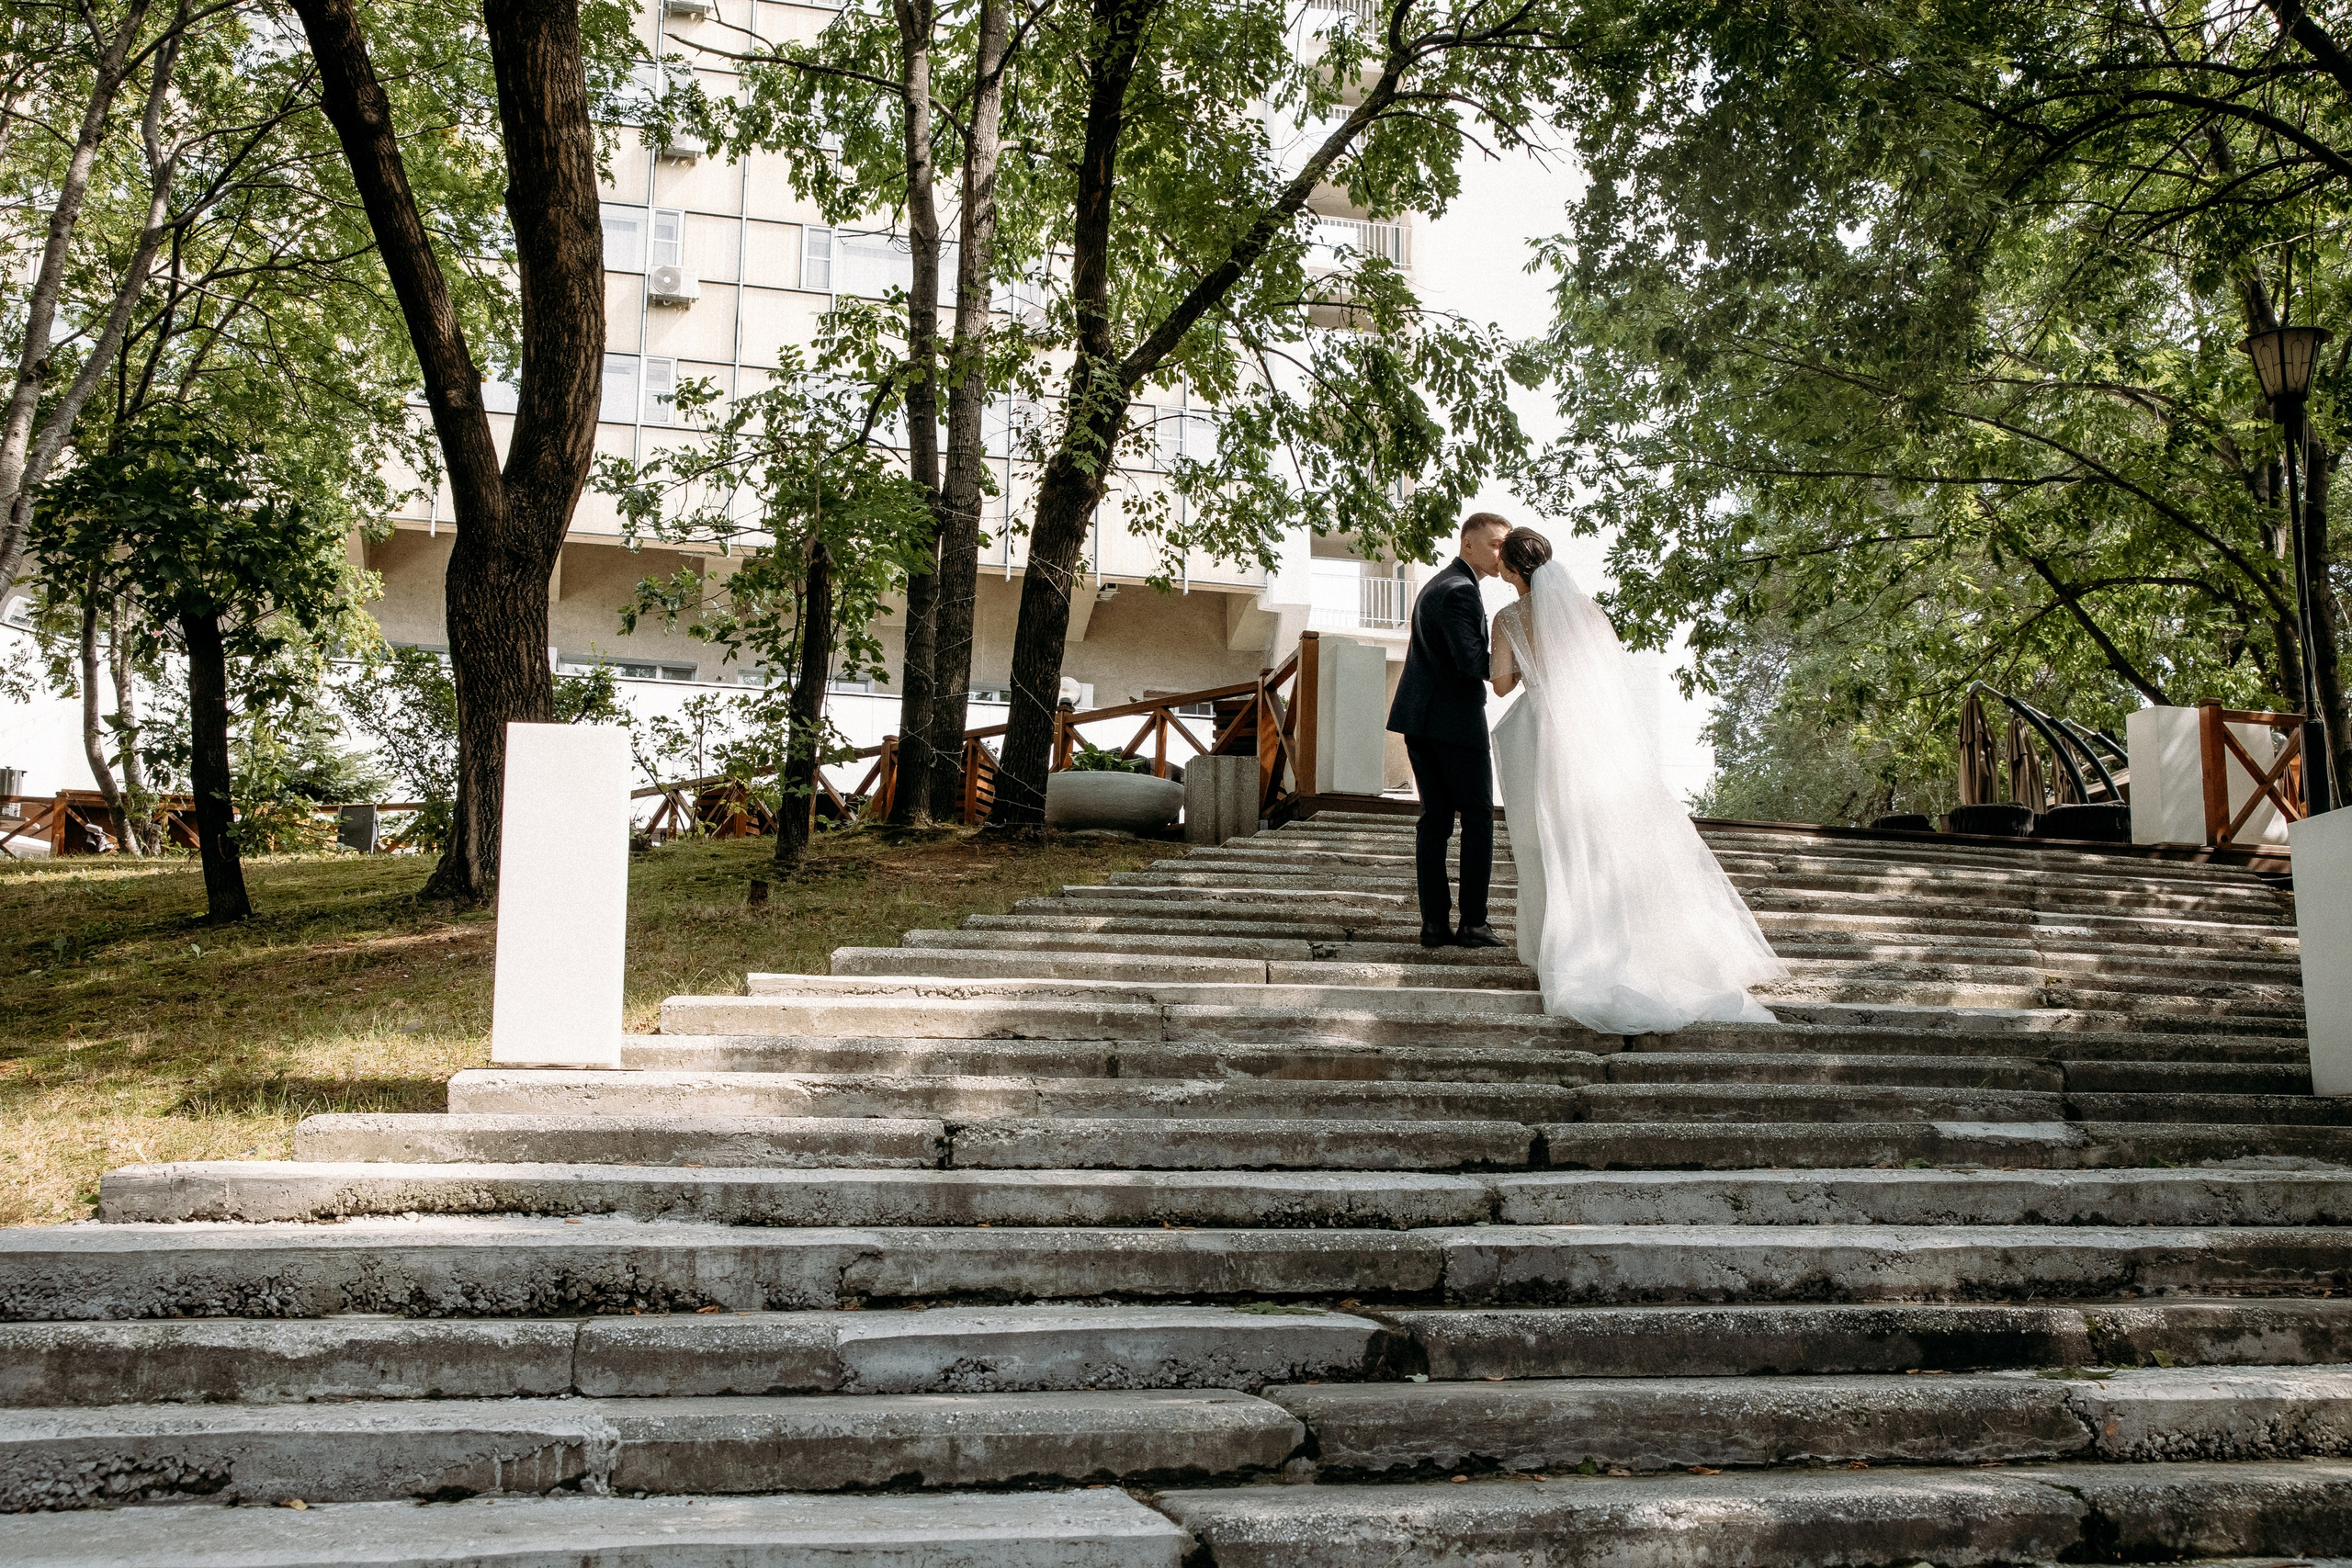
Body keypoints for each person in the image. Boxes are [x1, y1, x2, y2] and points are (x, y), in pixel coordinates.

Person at [1487, 525, 1786, 1032]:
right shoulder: (1588, 610)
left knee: (1548, 841)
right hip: (1595, 733)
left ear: (1513, 569)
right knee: (1605, 840)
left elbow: (1500, 684)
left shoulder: (1509, 617)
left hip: (1542, 733)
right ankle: (1624, 946)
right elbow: (1611, 672)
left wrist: (1518, 661)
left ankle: (1561, 952)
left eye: (1503, 561)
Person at [1386, 512, 1510, 949]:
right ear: (1468, 544)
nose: (1501, 553)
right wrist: (1517, 653)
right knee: (1477, 818)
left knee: (1435, 820)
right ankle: (1473, 923)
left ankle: (1434, 925)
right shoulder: (1461, 590)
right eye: (1494, 544)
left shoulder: (1439, 583)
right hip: (1452, 722)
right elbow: (1472, 662)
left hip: (1420, 720)